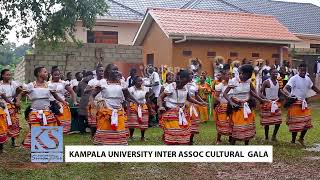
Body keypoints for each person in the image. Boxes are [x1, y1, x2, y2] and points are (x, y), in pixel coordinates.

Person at [92, 64, 138, 145]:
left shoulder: (122, 83)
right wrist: (95, 106)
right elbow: (92, 95)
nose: (116, 71)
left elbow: (127, 96)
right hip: (106, 111)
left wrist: (137, 102)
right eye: (114, 70)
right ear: (108, 71)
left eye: (117, 69)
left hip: (118, 111)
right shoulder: (103, 82)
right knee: (105, 136)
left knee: (118, 135)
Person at [22, 66, 67, 148]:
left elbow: (55, 96)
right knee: (36, 131)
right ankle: (36, 150)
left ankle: (46, 149)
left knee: (49, 131)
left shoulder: (49, 85)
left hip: (47, 112)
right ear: (39, 73)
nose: (47, 73)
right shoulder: (31, 85)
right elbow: (21, 95)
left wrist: (63, 102)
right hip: (34, 112)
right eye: (45, 72)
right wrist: (17, 101)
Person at [158, 70, 206, 145]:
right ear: (182, 78)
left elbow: (188, 98)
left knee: (183, 133)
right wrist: (161, 107)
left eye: (188, 81)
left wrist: (200, 103)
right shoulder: (171, 87)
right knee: (174, 134)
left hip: (182, 112)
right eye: (186, 80)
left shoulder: (185, 87)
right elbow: (160, 97)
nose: (187, 82)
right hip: (171, 113)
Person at [223, 64, 268, 145]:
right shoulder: (234, 81)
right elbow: (225, 94)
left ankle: (246, 145)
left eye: (250, 75)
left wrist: (261, 99)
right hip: (236, 107)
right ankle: (232, 144)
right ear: (242, 73)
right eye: (248, 75)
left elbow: (252, 92)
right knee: (237, 127)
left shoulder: (249, 81)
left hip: (247, 107)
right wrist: (231, 102)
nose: (249, 77)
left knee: (247, 126)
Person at [283, 63, 320, 147]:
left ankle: (301, 138)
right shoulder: (294, 79)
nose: (303, 72)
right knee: (296, 123)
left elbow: (313, 87)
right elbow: (285, 88)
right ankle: (293, 141)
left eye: (304, 70)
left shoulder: (307, 79)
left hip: (303, 103)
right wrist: (289, 95)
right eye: (301, 70)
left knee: (307, 122)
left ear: (306, 70)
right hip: (295, 103)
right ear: (298, 69)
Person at [50, 67, 78, 134]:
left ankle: (63, 132)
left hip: (62, 103)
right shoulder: (48, 84)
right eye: (55, 75)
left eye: (58, 74)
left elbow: (72, 92)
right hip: (51, 104)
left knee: (62, 119)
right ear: (51, 75)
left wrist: (74, 101)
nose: (57, 76)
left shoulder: (63, 83)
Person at [260, 67, 283, 141]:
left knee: (278, 120)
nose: (275, 74)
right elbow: (260, 92)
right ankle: (266, 137)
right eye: (274, 72)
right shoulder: (266, 82)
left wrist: (282, 97)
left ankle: (274, 136)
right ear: (270, 73)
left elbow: (279, 92)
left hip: (276, 103)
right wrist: (265, 99)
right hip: (268, 103)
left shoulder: (278, 82)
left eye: (276, 73)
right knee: (267, 121)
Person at [0, 69, 23, 147]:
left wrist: (18, 94)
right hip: (2, 106)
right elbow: (3, 96)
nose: (9, 76)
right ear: (2, 75)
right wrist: (10, 102)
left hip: (11, 106)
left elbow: (18, 92)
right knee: (3, 124)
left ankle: (13, 141)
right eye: (7, 75)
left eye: (10, 75)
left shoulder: (13, 84)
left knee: (13, 123)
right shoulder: (0, 84)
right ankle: (1, 144)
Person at [128, 76, 153, 141]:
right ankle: (131, 136)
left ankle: (142, 137)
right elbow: (128, 98)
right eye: (139, 81)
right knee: (132, 122)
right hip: (133, 106)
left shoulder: (145, 89)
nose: (140, 82)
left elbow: (148, 98)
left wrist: (150, 108)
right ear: (135, 82)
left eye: (141, 81)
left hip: (143, 106)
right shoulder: (130, 89)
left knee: (143, 122)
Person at [185, 72, 206, 144]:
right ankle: (184, 138)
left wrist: (202, 102)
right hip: (185, 103)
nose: (190, 76)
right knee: (186, 121)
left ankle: (191, 139)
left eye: (192, 75)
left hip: (194, 104)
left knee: (193, 122)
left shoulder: (194, 84)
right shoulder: (183, 84)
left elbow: (196, 95)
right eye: (189, 75)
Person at [214, 65, 232, 144]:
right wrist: (221, 101)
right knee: (222, 122)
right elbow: (216, 96)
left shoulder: (233, 84)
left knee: (231, 122)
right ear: (223, 76)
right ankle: (218, 139)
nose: (229, 76)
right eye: (227, 74)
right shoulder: (220, 85)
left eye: (229, 74)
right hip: (223, 106)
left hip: (231, 106)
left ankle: (230, 139)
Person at [86, 64, 104, 136]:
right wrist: (94, 88)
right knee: (93, 121)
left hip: (103, 102)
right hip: (94, 101)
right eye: (100, 71)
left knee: (102, 119)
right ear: (96, 72)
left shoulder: (105, 81)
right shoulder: (92, 81)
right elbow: (85, 90)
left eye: (103, 71)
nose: (102, 72)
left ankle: (100, 134)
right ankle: (92, 135)